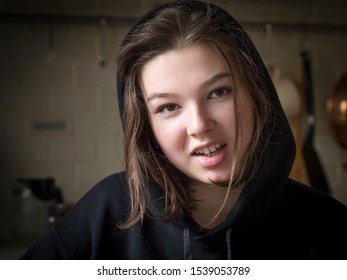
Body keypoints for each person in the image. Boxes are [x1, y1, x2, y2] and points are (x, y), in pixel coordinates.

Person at [20, 0, 347, 260]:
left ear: (257, 93)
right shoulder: (106, 211)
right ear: (147, 127)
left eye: (219, 91)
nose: (199, 124)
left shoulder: (328, 227)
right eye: (168, 107)